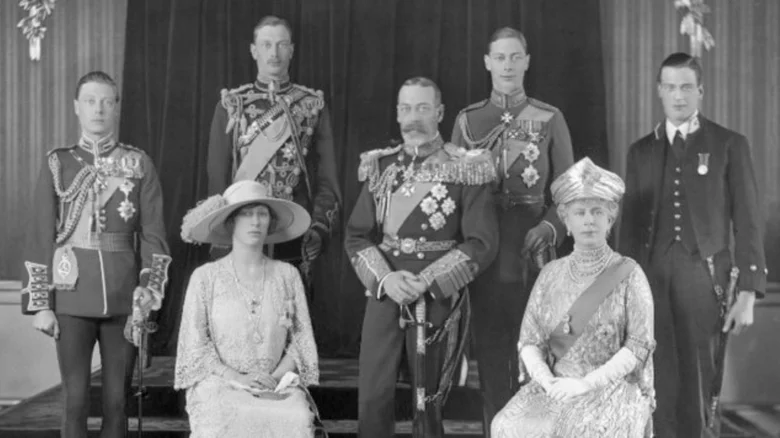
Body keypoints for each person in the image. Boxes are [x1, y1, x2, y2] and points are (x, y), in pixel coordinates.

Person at [619, 52, 767, 438]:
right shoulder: (641, 152)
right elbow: (630, 231)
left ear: (700, 91)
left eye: (686, 86)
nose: (678, 95)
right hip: (651, 280)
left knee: (701, 384)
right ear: (659, 92)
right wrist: (622, 293)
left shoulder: (728, 144)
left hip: (706, 279)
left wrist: (749, 292)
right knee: (657, 381)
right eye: (670, 87)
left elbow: (749, 220)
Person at [344, 77, 498, 438]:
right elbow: (356, 235)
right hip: (386, 291)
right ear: (397, 114)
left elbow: (481, 243)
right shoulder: (380, 168)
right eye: (406, 108)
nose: (414, 117)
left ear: (440, 112)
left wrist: (428, 282)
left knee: (426, 403)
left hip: (436, 294)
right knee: (373, 397)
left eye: (423, 108)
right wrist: (385, 280)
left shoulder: (466, 167)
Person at [20, 71, 171, 437]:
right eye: (90, 101)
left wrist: (149, 289)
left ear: (117, 107)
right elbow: (40, 235)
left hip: (124, 299)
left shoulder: (139, 164)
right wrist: (41, 303)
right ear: (76, 107)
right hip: (71, 298)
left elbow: (153, 236)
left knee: (117, 402)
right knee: (74, 402)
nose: (98, 109)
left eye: (107, 101)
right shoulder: (59, 163)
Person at [449, 26, 575, 433]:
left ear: (527, 62)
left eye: (515, 57)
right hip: (485, 247)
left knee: (534, 355)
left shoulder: (550, 118)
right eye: (500, 57)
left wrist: (550, 228)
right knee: (490, 352)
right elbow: (453, 192)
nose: (507, 65)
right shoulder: (468, 121)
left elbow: (569, 193)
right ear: (487, 63)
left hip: (531, 251)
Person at [492, 157, 655, 437]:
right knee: (506, 425)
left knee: (587, 429)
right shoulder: (550, 274)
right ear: (566, 220)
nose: (589, 220)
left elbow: (639, 345)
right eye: (579, 212)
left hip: (610, 385)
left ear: (610, 219)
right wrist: (547, 382)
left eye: (597, 211)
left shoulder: (629, 273)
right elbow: (530, 341)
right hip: (555, 384)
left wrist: (585, 384)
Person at [175, 180, 320, 437]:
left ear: (271, 222)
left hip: (276, 385)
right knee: (224, 413)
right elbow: (195, 343)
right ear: (230, 222)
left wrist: (274, 378)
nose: (255, 222)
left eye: (262, 214)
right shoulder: (206, 277)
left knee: (296, 416)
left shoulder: (287, 275)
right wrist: (236, 378)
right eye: (246, 214)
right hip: (220, 383)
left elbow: (300, 340)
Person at [207, 15, 341, 286]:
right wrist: (222, 234)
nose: (274, 53)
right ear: (254, 50)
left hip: (293, 235)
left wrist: (317, 229)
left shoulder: (311, 106)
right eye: (266, 45)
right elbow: (217, 178)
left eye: (281, 45)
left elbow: (328, 180)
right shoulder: (232, 106)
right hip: (241, 233)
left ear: (291, 50)